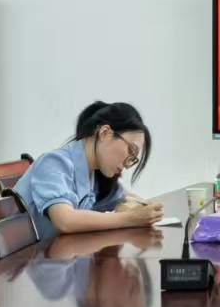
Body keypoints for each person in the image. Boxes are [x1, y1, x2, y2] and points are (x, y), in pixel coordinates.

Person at [13, 102, 163, 240]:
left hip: (59, 254)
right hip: (27, 259)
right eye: (130, 150)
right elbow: (65, 221)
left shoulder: (94, 175)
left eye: (133, 159)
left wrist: (141, 209)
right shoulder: (53, 162)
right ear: (105, 133)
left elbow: (125, 197)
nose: (127, 164)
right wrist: (131, 219)